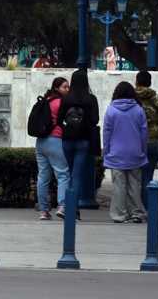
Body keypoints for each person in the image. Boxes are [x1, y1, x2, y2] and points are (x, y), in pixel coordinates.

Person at [57, 69, 100, 219]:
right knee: (76, 175)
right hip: (83, 140)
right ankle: (72, 208)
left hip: (67, 140)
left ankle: (68, 207)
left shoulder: (66, 99)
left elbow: (58, 120)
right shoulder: (91, 99)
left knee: (69, 173)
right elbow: (95, 120)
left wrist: (67, 128)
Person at [103, 82, 148, 224]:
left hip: (116, 153)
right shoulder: (139, 110)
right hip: (135, 152)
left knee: (119, 186)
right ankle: (136, 212)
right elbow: (144, 132)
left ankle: (119, 214)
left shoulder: (111, 110)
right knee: (135, 185)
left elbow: (106, 132)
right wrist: (142, 150)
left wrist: (106, 150)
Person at [134, 71, 158, 210]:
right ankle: (147, 208)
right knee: (147, 176)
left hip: (134, 141)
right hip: (153, 141)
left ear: (136, 81)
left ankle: (135, 208)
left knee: (133, 177)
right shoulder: (156, 99)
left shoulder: (130, 98)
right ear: (150, 82)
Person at [35, 77, 71, 220]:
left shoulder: (45, 101)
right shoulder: (61, 103)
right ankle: (62, 206)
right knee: (63, 175)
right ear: (57, 88)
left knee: (43, 177)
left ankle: (43, 211)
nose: (67, 90)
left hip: (40, 142)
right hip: (56, 140)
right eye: (65, 87)